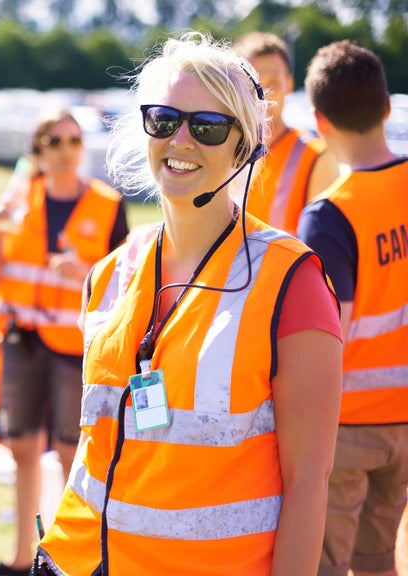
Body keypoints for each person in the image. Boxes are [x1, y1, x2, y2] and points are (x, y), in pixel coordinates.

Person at [34, 32, 343, 575]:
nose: (181, 140)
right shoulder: (109, 274)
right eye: (163, 120)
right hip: (78, 560)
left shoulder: (291, 283)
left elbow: (308, 483)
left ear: (243, 146)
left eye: (206, 127)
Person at [0, 108, 128, 576]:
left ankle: (69, 562)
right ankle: (22, 558)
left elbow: (127, 284)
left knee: (71, 456)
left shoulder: (107, 203)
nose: (67, 151)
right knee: (22, 449)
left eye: (74, 141)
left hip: (74, 347)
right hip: (22, 340)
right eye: (56, 142)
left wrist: (83, 272)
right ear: (38, 150)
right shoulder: (20, 199)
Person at [297, 41, 408, 576]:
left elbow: (327, 333)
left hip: (348, 428)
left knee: (325, 563)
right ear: (388, 105)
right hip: (405, 424)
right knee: (378, 560)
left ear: (319, 121)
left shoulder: (329, 216)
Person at [233, 31, 340, 234]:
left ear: (289, 85)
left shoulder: (316, 157)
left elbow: (327, 251)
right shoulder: (222, 154)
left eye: (273, 83)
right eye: (252, 84)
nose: (263, 95)